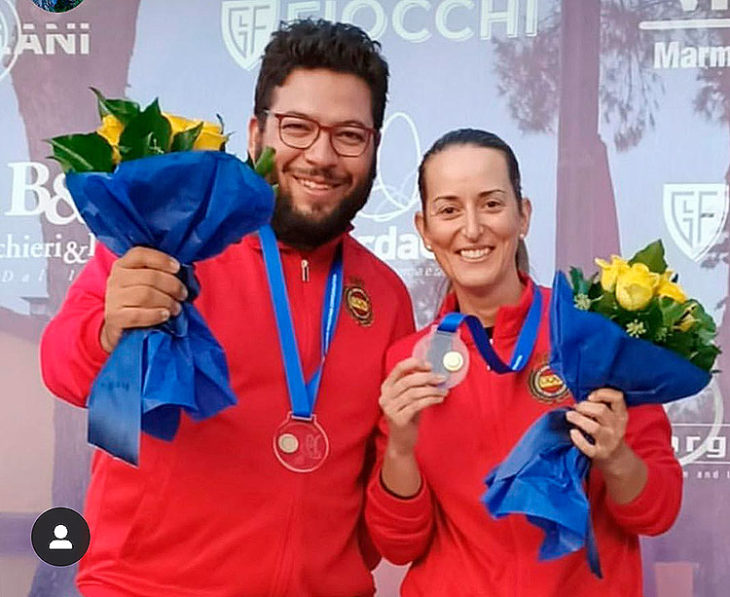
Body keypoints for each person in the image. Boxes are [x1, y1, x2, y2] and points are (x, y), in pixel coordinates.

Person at [40, 19, 414, 597]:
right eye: (298, 127)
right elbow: (63, 369)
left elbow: (376, 491)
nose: (321, 155)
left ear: (374, 147)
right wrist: (111, 329)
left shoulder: (385, 296)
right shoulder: (172, 238)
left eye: (349, 135)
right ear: (256, 133)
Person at [365, 129, 682, 596]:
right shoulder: (408, 362)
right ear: (424, 230)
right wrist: (400, 448)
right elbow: (398, 544)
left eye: (491, 204)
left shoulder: (593, 336)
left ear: (524, 215)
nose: (471, 229)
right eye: (449, 209)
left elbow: (656, 512)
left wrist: (616, 457)